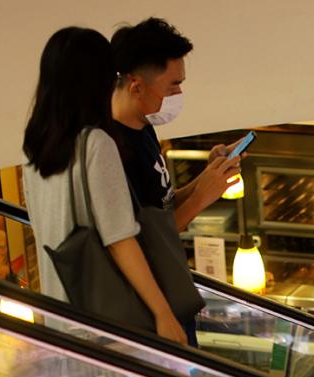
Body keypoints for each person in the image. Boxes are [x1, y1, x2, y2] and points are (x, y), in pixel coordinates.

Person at [22, 26, 189, 345]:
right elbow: (120, 239)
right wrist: (162, 313)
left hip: (61, 309)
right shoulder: (96, 144)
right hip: (107, 322)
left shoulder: (33, 147)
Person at [108, 17, 241, 346]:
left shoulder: (144, 128)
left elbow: (160, 208)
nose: (179, 93)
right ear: (137, 86)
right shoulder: (110, 150)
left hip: (171, 295)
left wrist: (206, 179)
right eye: (172, 85)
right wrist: (200, 199)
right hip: (152, 311)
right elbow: (141, 242)